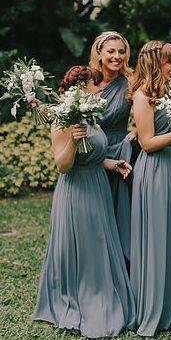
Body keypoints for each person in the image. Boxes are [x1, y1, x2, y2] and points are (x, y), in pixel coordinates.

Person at [33, 66, 135, 338]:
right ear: (80, 87)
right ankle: (83, 300)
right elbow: (63, 165)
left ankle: (105, 294)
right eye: (94, 84)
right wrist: (74, 142)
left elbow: (95, 157)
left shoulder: (92, 117)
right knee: (86, 246)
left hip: (98, 186)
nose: (100, 89)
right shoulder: (62, 119)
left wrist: (114, 164)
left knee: (100, 242)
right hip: (76, 191)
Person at [128, 41, 171, 336]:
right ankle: (156, 308)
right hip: (154, 170)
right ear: (155, 63)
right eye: (169, 62)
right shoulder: (143, 95)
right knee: (158, 236)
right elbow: (147, 143)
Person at [89, 31, 135, 261]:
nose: (117, 56)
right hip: (91, 151)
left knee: (119, 211)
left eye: (121, 51)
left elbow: (150, 112)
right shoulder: (87, 83)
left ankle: (122, 261)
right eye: (111, 51)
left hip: (120, 149)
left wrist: (136, 130)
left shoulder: (130, 83)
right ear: (99, 54)